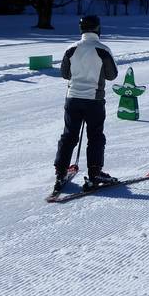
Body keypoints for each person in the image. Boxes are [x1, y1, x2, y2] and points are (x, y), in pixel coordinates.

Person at [53, 15, 119, 190]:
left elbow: (65, 74)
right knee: (95, 136)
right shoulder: (102, 49)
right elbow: (112, 75)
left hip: (73, 98)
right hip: (94, 100)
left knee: (69, 135)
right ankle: (95, 173)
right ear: (98, 28)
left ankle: (60, 172)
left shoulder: (71, 49)